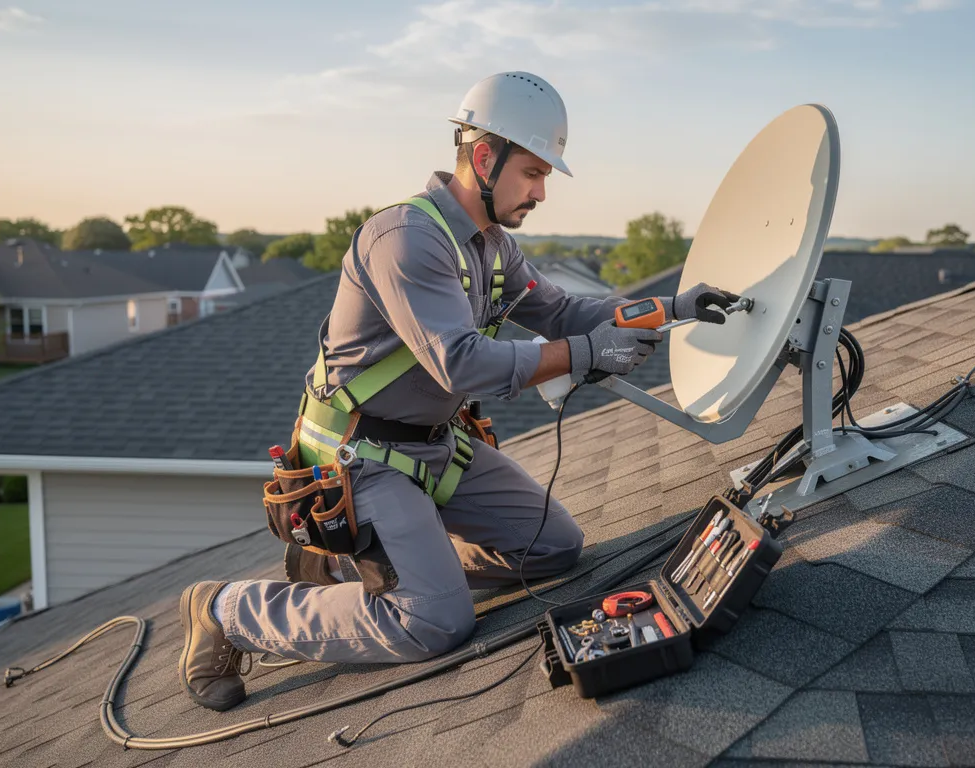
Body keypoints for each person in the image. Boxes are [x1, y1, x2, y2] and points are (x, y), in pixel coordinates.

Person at [177, 71, 742, 711]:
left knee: (554, 547)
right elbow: (462, 365)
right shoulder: (405, 239)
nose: (542, 193)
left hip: (435, 451)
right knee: (437, 622)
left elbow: (563, 315)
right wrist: (582, 357)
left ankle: (367, 567)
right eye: (533, 173)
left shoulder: (494, 249)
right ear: (483, 158)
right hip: (362, 459)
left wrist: (672, 307)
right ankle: (225, 609)